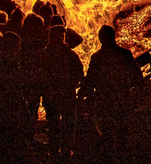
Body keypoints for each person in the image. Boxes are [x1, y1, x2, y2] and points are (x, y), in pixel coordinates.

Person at [83, 25, 139, 160]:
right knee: (122, 129)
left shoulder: (97, 57)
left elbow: (91, 79)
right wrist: (137, 93)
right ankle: (122, 155)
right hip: (122, 97)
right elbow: (136, 76)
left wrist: (86, 94)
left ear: (101, 39)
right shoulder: (125, 54)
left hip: (105, 98)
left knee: (107, 130)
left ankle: (109, 157)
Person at [40, 23, 82, 157]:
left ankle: (53, 149)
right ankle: (65, 148)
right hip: (67, 93)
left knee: (53, 121)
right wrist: (72, 84)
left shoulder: (45, 55)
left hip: (51, 94)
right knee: (68, 121)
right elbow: (79, 73)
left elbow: (40, 74)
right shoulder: (70, 55)